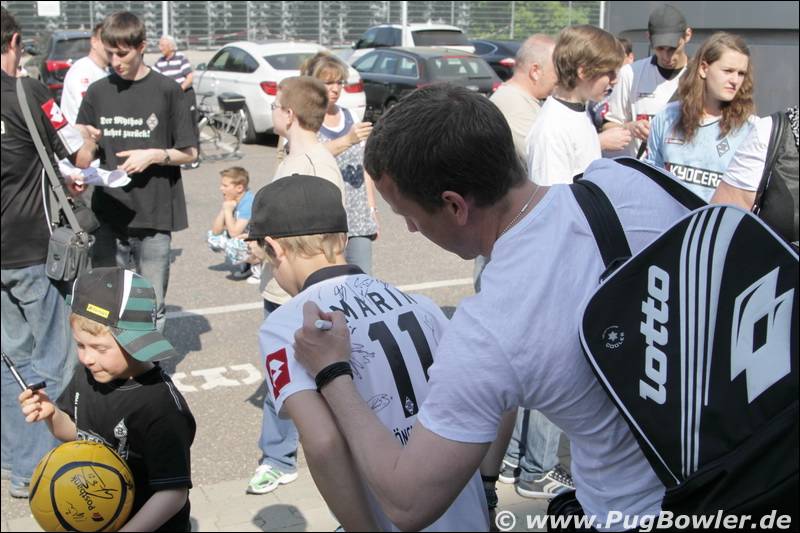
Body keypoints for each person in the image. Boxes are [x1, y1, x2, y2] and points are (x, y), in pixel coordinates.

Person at [291, 84, 695, 531]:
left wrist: (333, 373)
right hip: (750, 471)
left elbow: (407, 503)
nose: (410, 229)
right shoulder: (627, 180)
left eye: (408, 214)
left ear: (454, 206)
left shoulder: (491, 328)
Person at [247, 175, 488, 531]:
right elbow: (486, 394)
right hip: (462, 506)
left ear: (275, 248)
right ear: (343, 238)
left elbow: (323, 443)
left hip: (388, 515)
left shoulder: (287, 325)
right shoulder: (419, 304)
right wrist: (487, 485)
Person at [1, 6, 97, 499]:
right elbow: (76, 151)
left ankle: (20, 464)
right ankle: (53, 468)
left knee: (11, 361)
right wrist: (91, 139)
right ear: (14, 42)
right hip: (32, 250)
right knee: (55, 360)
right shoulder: (28, 92)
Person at [18, 267, 196, 531]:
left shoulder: (161, 407)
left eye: (99, 348)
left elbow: (173, 494)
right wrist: (52, 414)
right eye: (80, 345)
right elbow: (78, 435)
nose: (87, 358)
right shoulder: (87, 376)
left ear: (135, 342)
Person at [246, 76, 345, 495]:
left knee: (292, 380)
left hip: (300, 292)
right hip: (282, 285)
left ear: (288, 114)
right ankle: (281, 456)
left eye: (275, 107)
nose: (272, 113)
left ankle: (280, 460)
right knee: (283, 378)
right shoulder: (293, 157)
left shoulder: (315, 165)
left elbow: (329, 237)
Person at [75, 11, 198, 332]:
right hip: (107, 213)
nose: (116, 61)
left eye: (123, 54)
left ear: (142, 47)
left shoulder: (167, 90)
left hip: (154, 215)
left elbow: (190, 152)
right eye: (110, 53)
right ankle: (114, 360)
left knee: (150, 305)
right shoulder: (98, 92)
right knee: (106, 304)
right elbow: (83, 155)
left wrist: (155, 155)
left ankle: (147, 362)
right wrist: (86, 142)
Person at [646, 32, 756, 201]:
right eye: (728, 71)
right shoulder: (667, 117)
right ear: (704, 68)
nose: (735, 80)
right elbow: (649, 181)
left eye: (741, 73)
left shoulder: (750, 129)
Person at [301, 52, 379, 275]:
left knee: (362, 278)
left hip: (357, 215)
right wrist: (347, 140)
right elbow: (306, 158)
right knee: (327, 278)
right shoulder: (306, 119)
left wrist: (371, 207)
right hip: (322, 216)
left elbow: (364, 166)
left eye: (339, 82)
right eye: (328, 83)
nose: (335, 89)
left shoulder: (350, 116)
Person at [526, 25, 625, 185]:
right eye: (609, 72)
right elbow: (552, 196)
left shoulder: (580, 111)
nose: (615, 80)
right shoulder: (552, 129)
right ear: (583, 72)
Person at [603, 4, 693, 158]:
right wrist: (630, 128)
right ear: (648, 38)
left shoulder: (699, 77)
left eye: (673, 48)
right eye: (660, 48)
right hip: (640, 168)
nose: (666, 56)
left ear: (687, 35)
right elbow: (608, 126)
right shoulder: (630, 74)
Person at [489, 34, 557, 164]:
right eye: (557, 71)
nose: (561, 78)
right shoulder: (513, 104)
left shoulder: (519, 99)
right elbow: (543, 159)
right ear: (535, 71)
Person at [206, 166, 255, 274]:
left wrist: (228, 211)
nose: (221, 188)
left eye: (225, 186)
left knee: (234, 245)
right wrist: (225, 208)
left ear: (239, 188)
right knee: (213, 239)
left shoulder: (248, 203)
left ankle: (257, 268)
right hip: (245, 236)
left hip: (260, 241)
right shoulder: (232, 200)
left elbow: (234, 233)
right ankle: (248, 265)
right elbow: (215, 231)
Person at [60, 21, 109, 125]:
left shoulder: (107, 71)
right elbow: (88, 112)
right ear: (94, 42)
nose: (112, 47)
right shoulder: (82, 71)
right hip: (82, 134)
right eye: (108, 42)